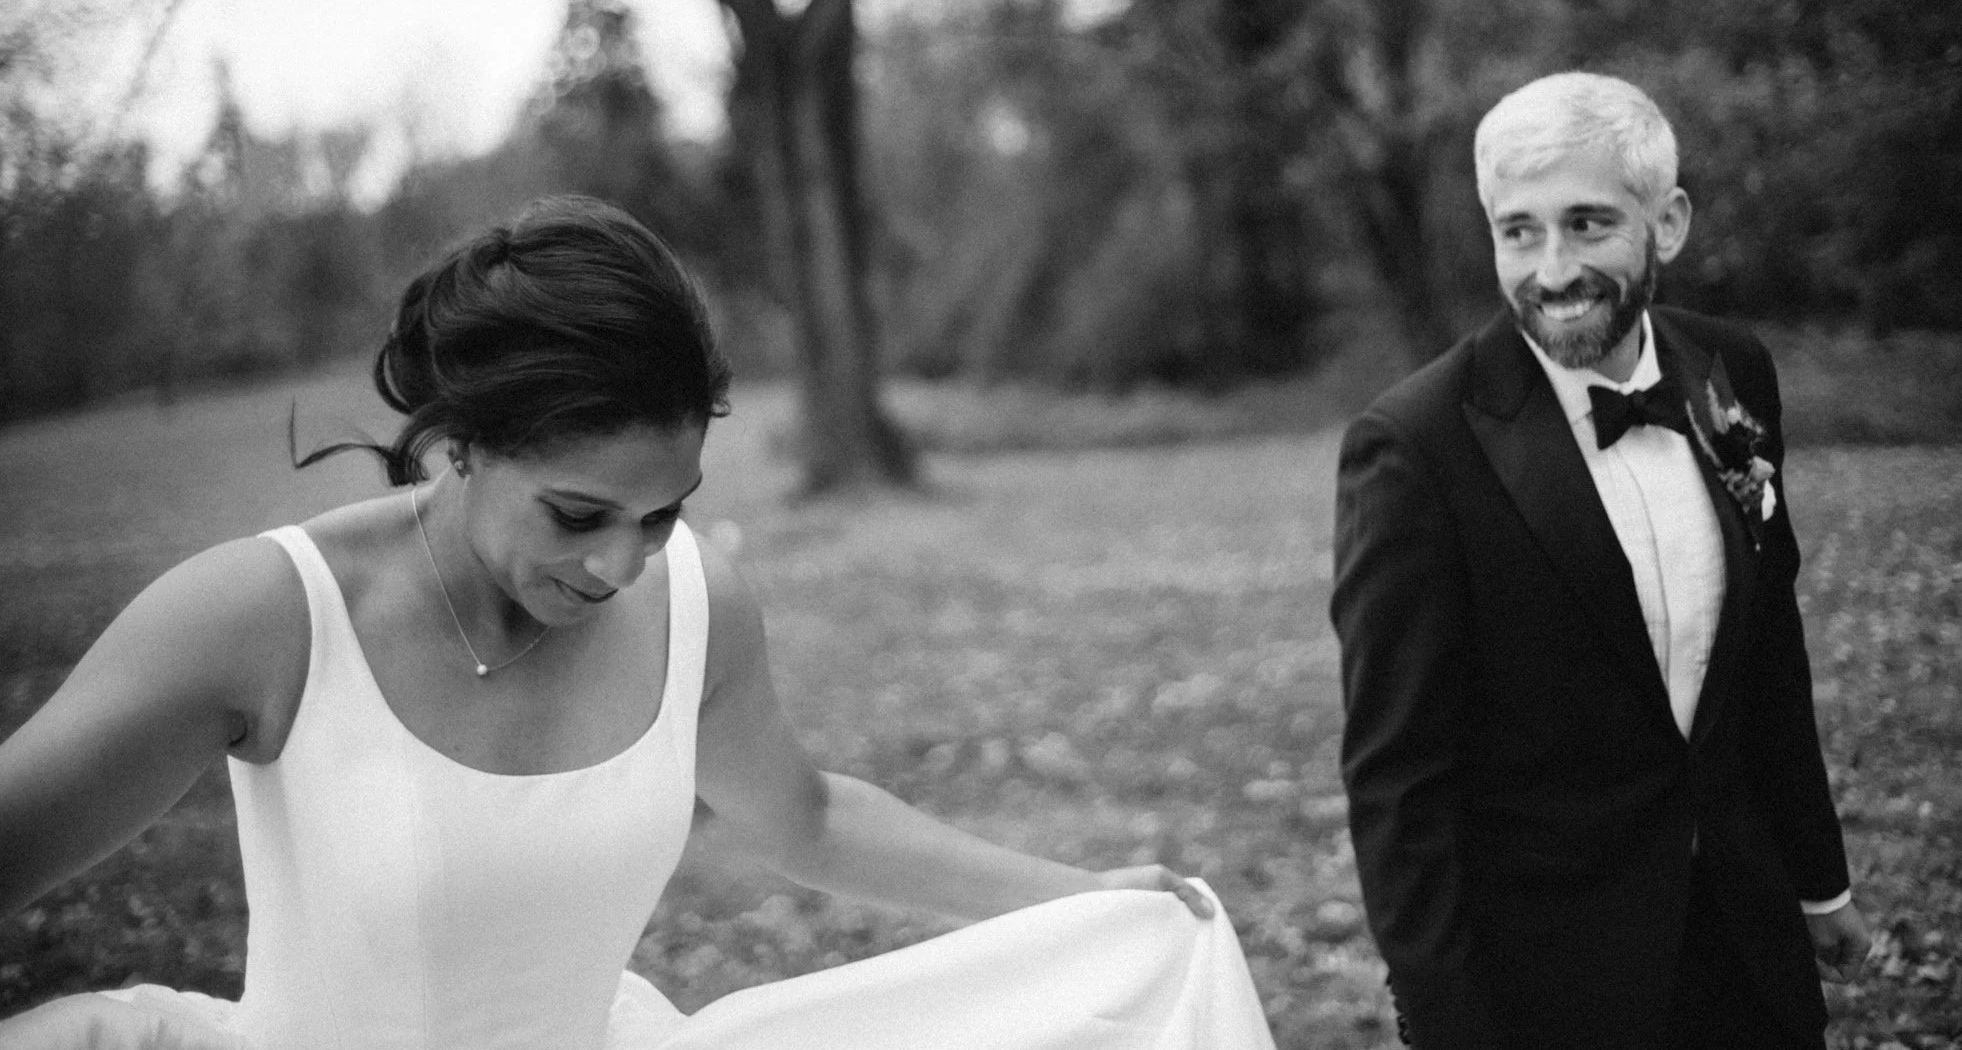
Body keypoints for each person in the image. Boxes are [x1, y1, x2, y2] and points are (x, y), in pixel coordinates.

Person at [0, 196, 1274, 1050]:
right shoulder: (264, 617)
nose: (620, 565)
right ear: (460, 444)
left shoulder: (697, 604)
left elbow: (807, 818)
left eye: (662, 514)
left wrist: (1075, 898)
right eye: (576, 514)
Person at [1329, 74, 1872, 1050]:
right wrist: (1448, 1027)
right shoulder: (1415, 447)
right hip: (1546, 979)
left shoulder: (1729, 373)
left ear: (1667, 223)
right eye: (1519, 231)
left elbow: (1767, 647)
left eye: (1586, 225)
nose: (1553, 270)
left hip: (1746, 946)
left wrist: (1815, 879)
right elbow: (1397, 782)